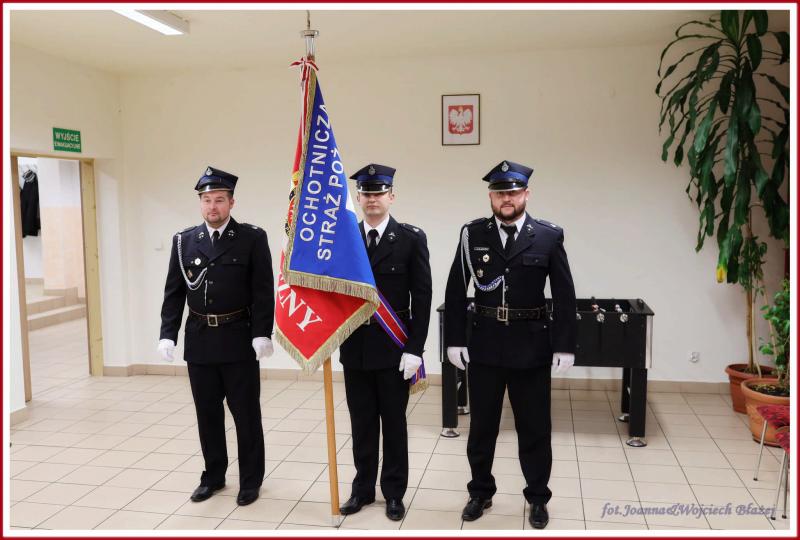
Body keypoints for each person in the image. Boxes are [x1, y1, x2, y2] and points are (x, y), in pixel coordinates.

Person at [444, 160, 577, 529]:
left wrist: (565, 345)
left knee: (534, 428)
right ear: (491, 197)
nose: (507, 198)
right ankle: (480, 492)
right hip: (485, 344)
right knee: (482, 427)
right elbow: (455, 290)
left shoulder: (548, 236)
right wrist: (454, 340)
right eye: (500, 192)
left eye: (514, 192)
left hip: (531, 347)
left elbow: (564, 295)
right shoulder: (472, 234)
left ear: (526, 194)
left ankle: (537, 497)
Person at [158, 166, 275, 507]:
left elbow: (263, 291)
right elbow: (174, 293)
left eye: (219, 200)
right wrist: (167, 334)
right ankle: (213, 476)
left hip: (238, 339)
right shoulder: (184, 241)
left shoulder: (252, 238)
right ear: (200, 203)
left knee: (245, 415)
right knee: (207, 415)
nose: (213, 206)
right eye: (207, 200)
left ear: (231, 202)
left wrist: (261, 333)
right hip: (200, 341)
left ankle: (250, 480)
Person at [338, 163, 433, 521]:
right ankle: (362, 489)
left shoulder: (410, 239)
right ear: (359, 197)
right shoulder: (345, 239)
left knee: (393, 424)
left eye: (379, 193)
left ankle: (393, 493)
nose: (372, 199)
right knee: (361, 424)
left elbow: (422, 298)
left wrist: (415, 349)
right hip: (355, 349)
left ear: (392, 196)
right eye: (366, 193)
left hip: (393, 350)